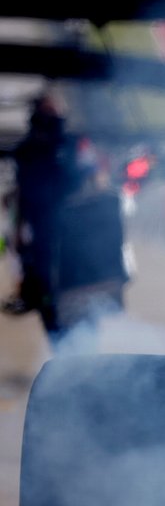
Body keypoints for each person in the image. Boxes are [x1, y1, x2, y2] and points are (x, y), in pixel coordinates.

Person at [5, 92, 83, 337]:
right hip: (43, 229)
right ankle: (57, 332)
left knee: (64, 286)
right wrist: (17, 230)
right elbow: (21, 194)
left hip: (71, 228)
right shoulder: (29, 149)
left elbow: (86, 180)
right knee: (43, 284)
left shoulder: (69, 144)